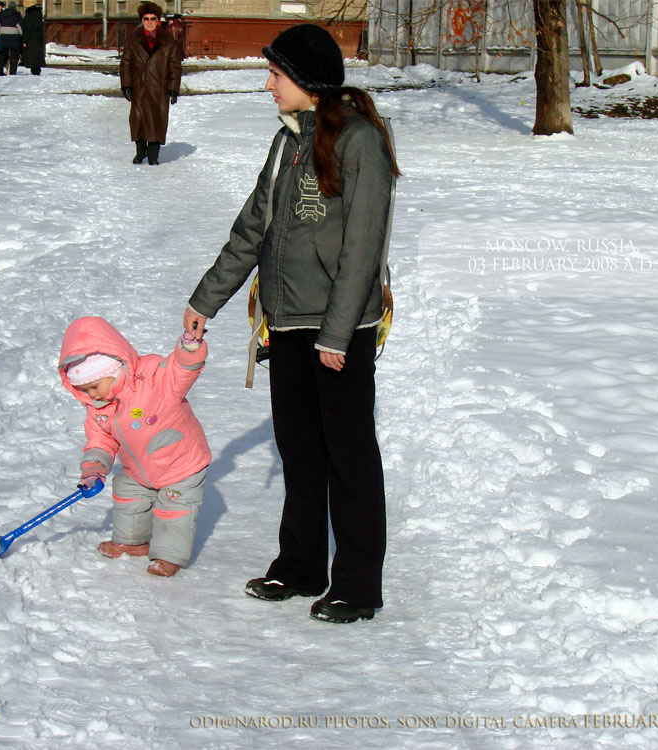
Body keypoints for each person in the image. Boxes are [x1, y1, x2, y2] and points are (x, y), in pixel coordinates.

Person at [183, 25, 400, 623]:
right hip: (286, 322)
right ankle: (300, 567)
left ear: (306, 80)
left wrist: (336, 334)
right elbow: (253, 226)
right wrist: (207, 300)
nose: (268, 84)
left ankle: (357, 584)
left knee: (349, 459)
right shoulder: (286, 144)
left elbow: (363, 247)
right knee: (300, 453)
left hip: (340, 330)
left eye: (276, 74)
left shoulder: (361, 144)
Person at [58, 317, 210, 578]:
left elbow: (181, 370)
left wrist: (189, 347)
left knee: (174, 508)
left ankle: (168, 555)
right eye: (84, 389)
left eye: (94, 386)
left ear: (112, 370)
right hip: (140, 468)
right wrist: (94, 468)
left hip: (181, 464)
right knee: (127, 492)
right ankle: (132, 541)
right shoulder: (100, 407)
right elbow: (99, 440)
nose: (91, 395)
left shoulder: (153, 378)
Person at [119, 2, 182, 165]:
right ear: (142, 20)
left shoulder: (168, 40)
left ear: (158, 20)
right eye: (146, 19)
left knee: (157, 121)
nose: (149, 22)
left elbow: (175, 66)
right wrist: (126, 85)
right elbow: (126, 63)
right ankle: (140, 152)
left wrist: (173, 89)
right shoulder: (133, 39)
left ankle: (153, 155)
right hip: (139, 87)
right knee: (138, 120)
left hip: (159, 87)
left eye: (153, 18)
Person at [0, 1, 24, 76]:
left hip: (4, 37)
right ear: (15, 7)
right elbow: (20, 28)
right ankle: (12, 72)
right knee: (14, 55)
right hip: (14, 38)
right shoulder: (17, 15)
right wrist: (20, 35)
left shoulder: (2, 14)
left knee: (3, 54)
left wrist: (0, 34)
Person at [20, 0, 45, 76]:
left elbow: (28, 29)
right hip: (38, 39)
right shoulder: (38, 15)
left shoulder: (29, 16)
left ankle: (34, 70)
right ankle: (37, 69)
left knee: (32, 57)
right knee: (37, 56)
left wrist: (24, 41)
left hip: (31, 39)